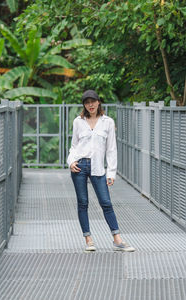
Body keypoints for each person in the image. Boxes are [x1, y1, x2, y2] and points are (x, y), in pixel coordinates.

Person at [67, 89, 135, 252]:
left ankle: (117, 240)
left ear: (98, 102)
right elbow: (74, 146)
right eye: (87, 102)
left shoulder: (108, 122)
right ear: (84, 105)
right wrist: (70, 162)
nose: (90, 105)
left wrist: (111, 172)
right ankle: (88, 240)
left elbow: (111, 149)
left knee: (106, 202)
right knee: (83, 203)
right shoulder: (78, 121)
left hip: (98, 167)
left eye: (93, 101)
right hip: (79, 166)